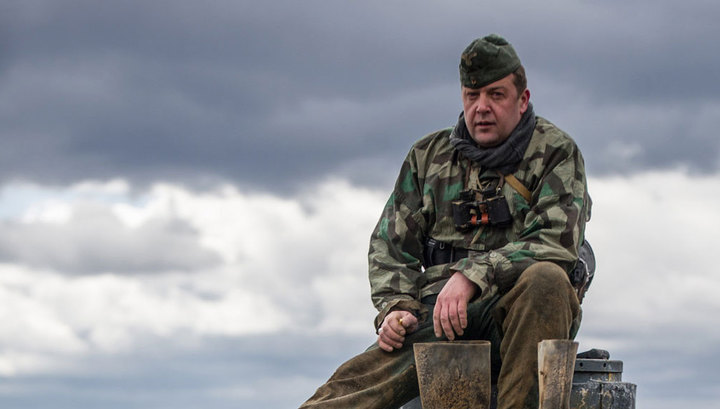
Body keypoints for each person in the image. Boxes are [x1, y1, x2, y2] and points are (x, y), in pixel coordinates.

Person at [300, 34, 592, 409]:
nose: (482, 108)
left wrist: (474, 274)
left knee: (547, 279)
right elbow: (391, 245)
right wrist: (397, 306)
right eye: (472, 96)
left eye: (496, 95)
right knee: (349, 390)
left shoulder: (556, 153)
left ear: (523, 100)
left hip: (517, 315)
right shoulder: (428, 156)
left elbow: (556, 240)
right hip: (440, 315)